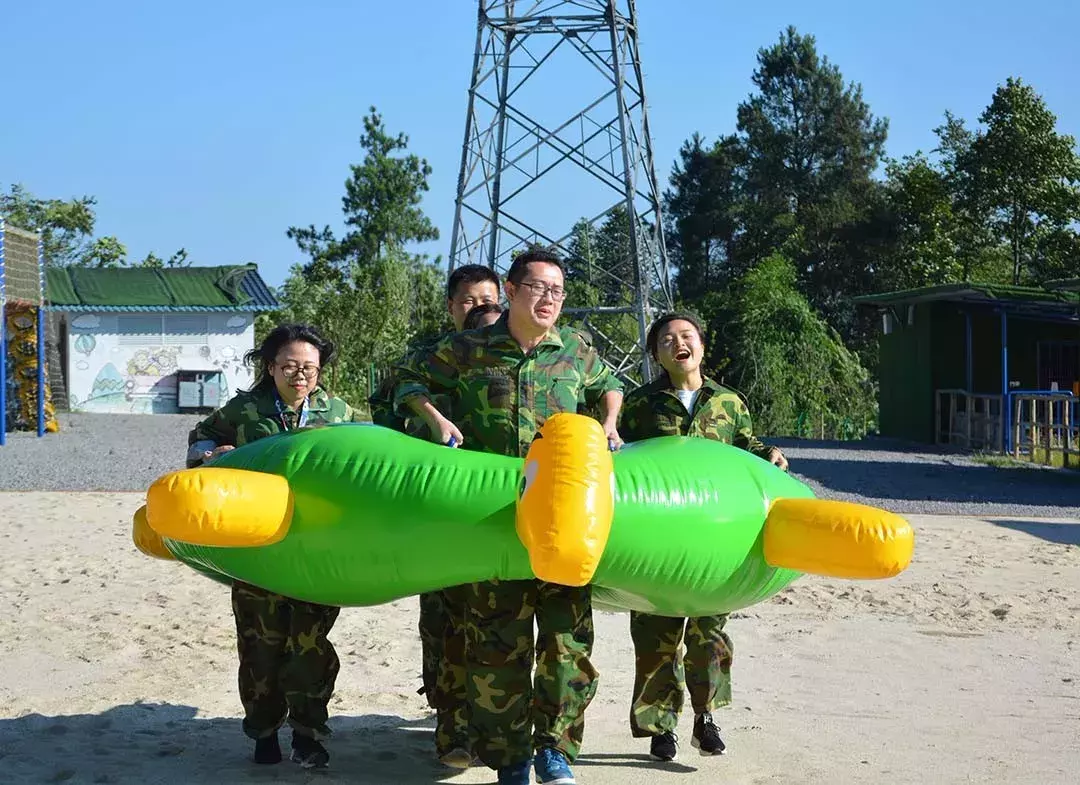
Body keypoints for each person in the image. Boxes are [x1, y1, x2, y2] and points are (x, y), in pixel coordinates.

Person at [392, 246, 624, 785]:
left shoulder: (575, 352)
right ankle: (512, 758)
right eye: (540, 288)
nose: (550, 299)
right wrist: (435, 418)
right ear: (513, 292)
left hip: (563, 519)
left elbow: (610, 383)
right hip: (493, 521)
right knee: (497, 651)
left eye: (559, 291)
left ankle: (555, 748)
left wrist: (609, 422)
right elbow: (407, 380)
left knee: (568, 645)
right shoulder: (468, 348)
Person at [186, 323, 361, 770]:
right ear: (271, 367)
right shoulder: (246, 410)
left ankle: (308, 734)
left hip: (316, 552)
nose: (300, 375)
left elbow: (372, 454)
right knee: (260, 648)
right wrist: (208, 455)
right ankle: (263, 730)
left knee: (310, 647)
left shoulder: (339, 412)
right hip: (256, 553)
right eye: (290, 366)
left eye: (310, 368)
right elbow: (201, 437)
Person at [618, 311, 788, 763]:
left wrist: (769, 453)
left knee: (710, 633)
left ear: (701, 346)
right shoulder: (640, 405)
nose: (679, 343)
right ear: (656, 354)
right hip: (656, 539)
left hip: (717, 540)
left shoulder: (728, 403)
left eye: (687, 335)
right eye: (667, 339)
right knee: (655, 631)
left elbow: (746, 448)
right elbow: (619, 457)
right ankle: (660, 727)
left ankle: (705, 716)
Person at [370, 264, 501, 769]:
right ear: (451, 308)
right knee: (445, 624)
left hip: (499, 513)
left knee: (500, 628)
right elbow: (385, 426)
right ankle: (453, 730)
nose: (477, 309)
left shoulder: (518, 361)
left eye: (487, 299)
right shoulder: (423, 365)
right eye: (467, 300)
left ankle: (493, 723)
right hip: (436, 514)